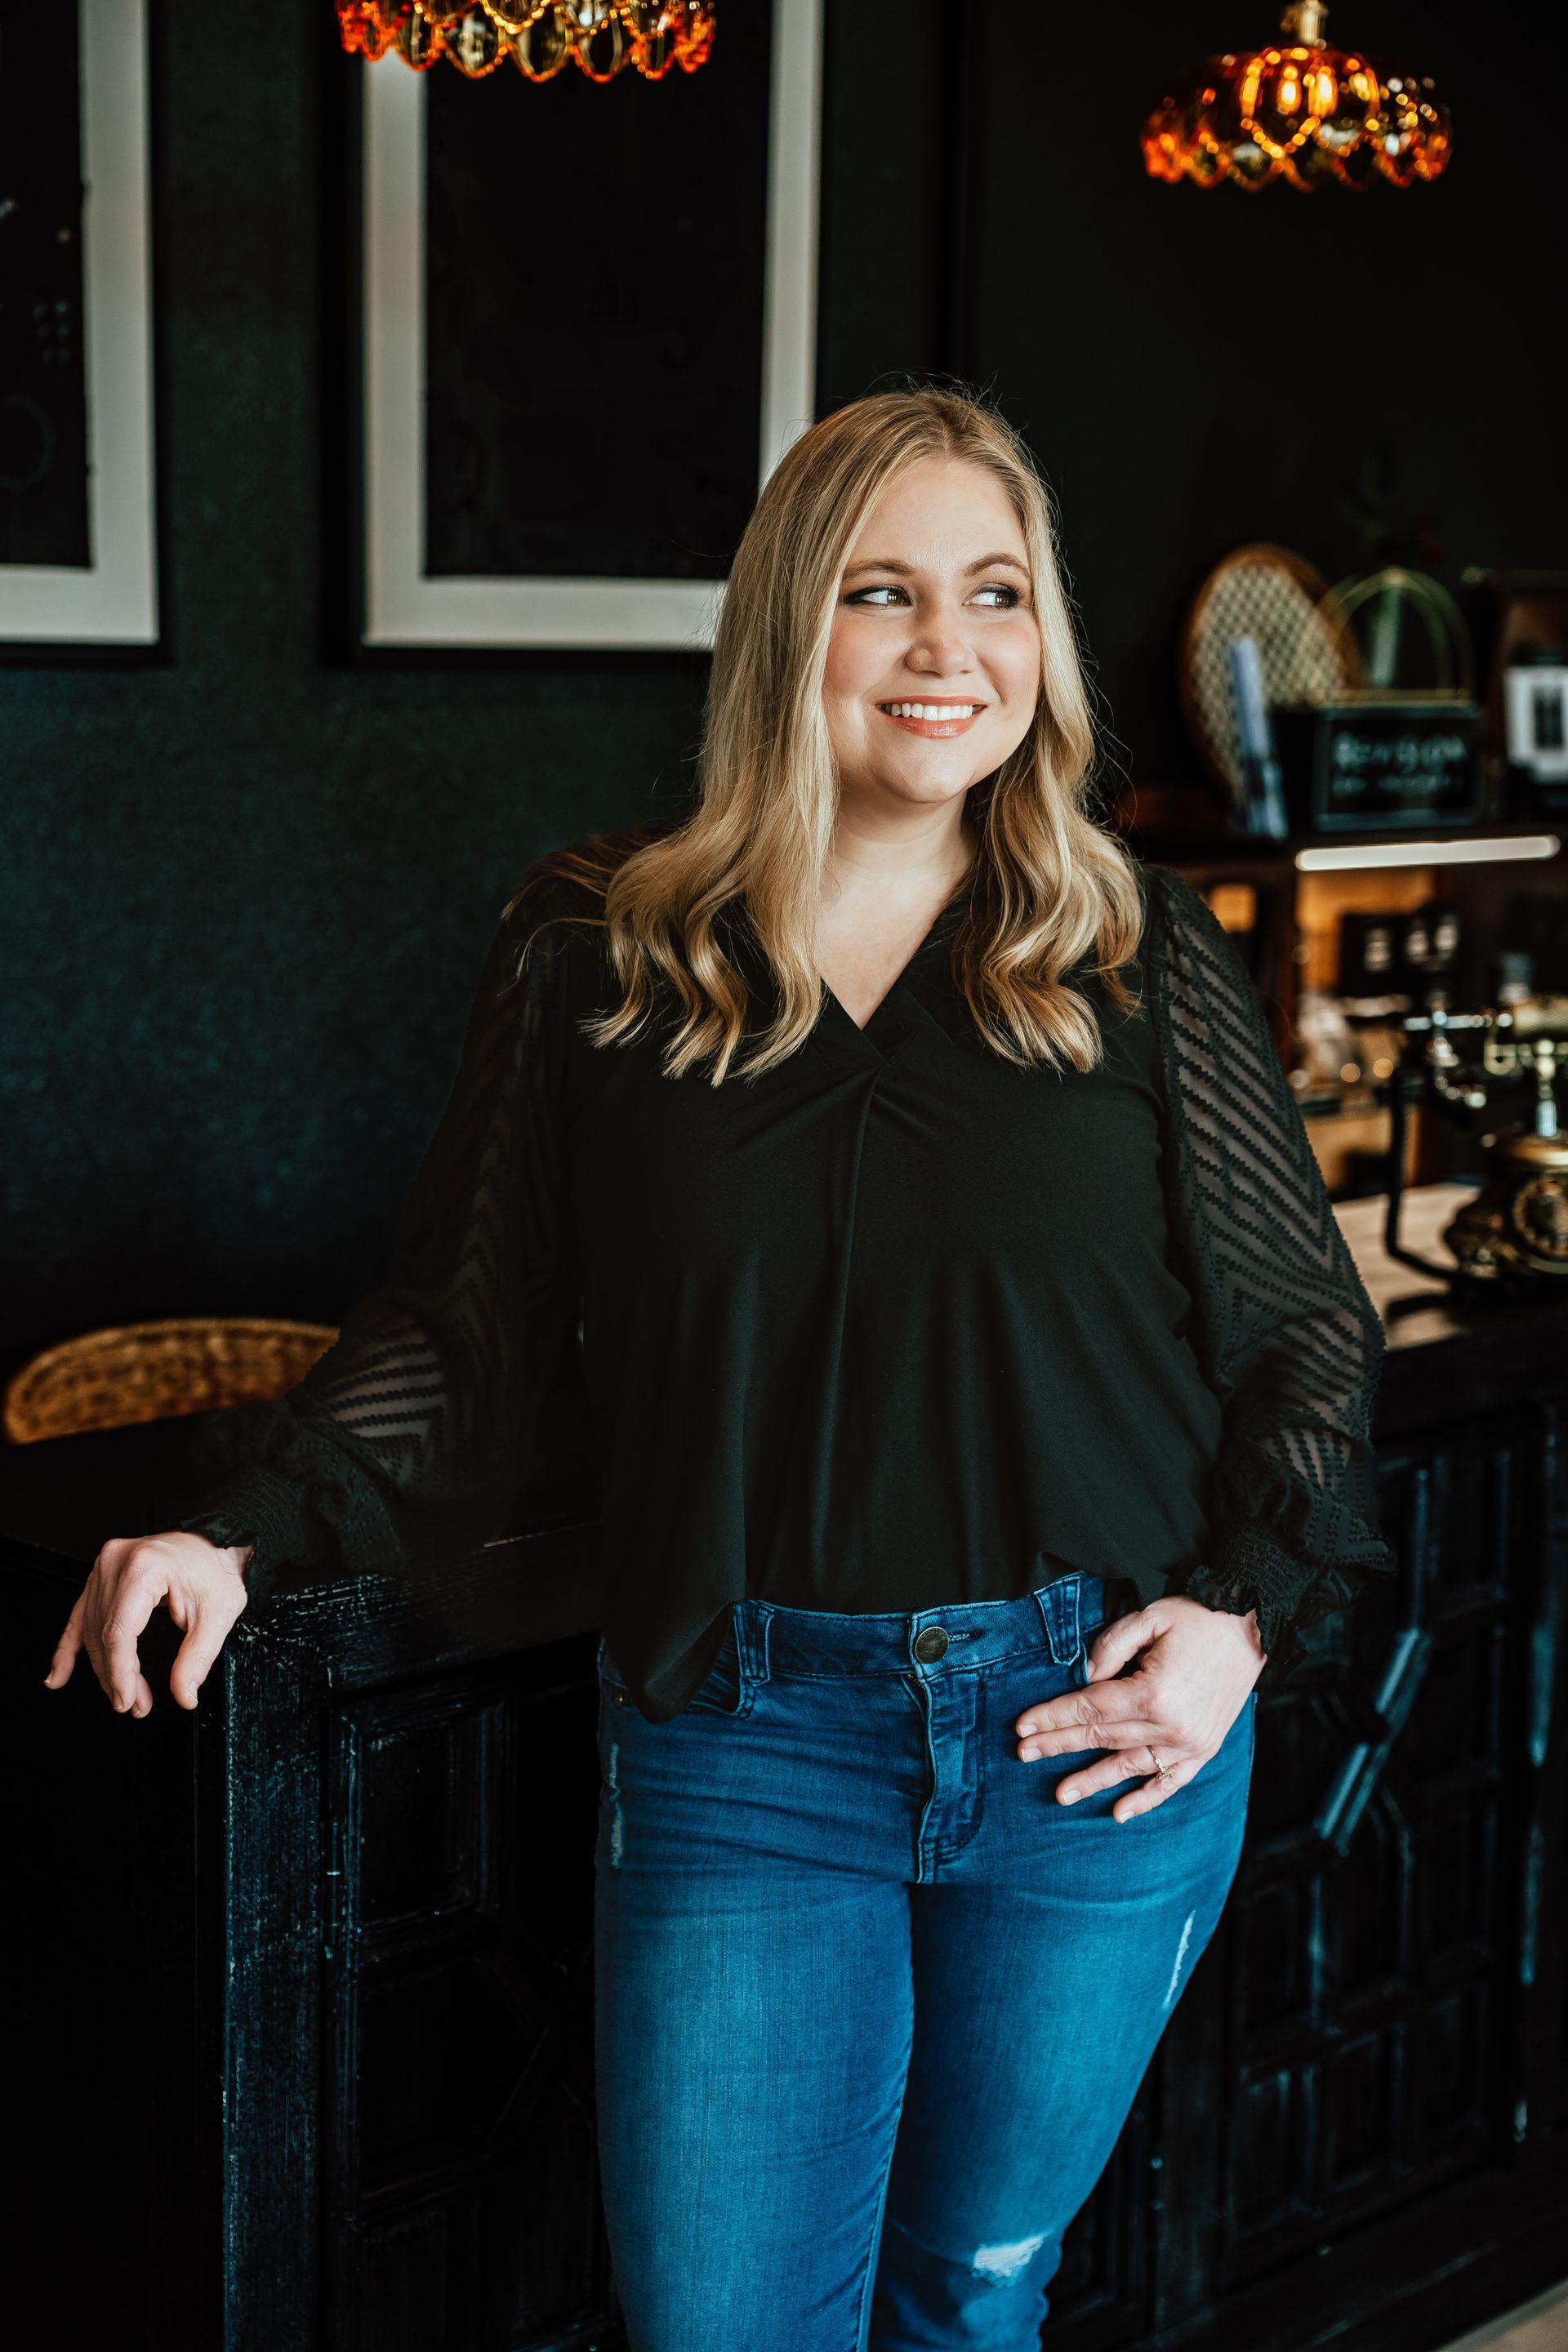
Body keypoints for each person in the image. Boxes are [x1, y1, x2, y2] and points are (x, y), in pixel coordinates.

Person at [47, 389, 1392, 2350]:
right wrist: (236, 1530)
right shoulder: (604, 945)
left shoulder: (1131, 950)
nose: (952, 650)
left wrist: (1239, 1622)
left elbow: (1301, 1332)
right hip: (742, 1733)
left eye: (998, 594)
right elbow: (466, 1318)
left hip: (1099, 1724)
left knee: (971, 2293)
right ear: (787, 631)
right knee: (726, 2329)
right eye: (885, 593)